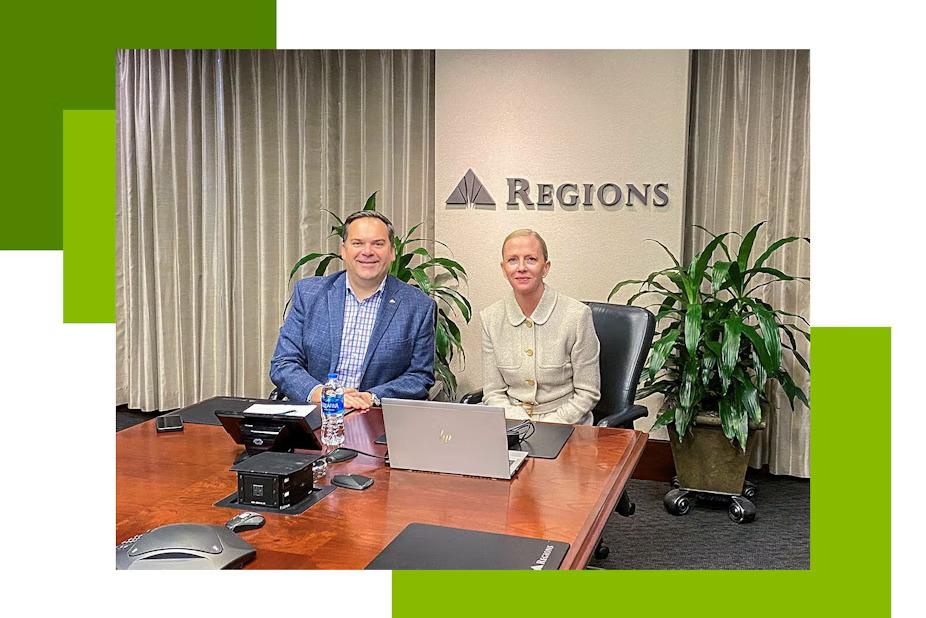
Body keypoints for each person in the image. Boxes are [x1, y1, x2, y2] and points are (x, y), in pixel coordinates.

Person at [270, 211, 435, 409]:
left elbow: (419, 376)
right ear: (343, 250)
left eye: (378, 244)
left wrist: (371, 397)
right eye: (357, 243)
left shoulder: (418, 306)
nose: (367, 251)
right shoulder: (309, 294)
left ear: (392, 252)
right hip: (315, 414)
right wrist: (321, 393)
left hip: (376, 417)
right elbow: (284, 362)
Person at [480, 229, 600, 425]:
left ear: (546, 267)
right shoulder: (490, 318)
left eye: (531, 259)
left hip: (566, 424)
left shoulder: (577, 316)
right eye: (512, 260)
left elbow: (587, 393)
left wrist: (549, 425)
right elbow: (493, 392)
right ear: (503, 269)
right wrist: (519, 422)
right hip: (511, 423)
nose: (521, 268)